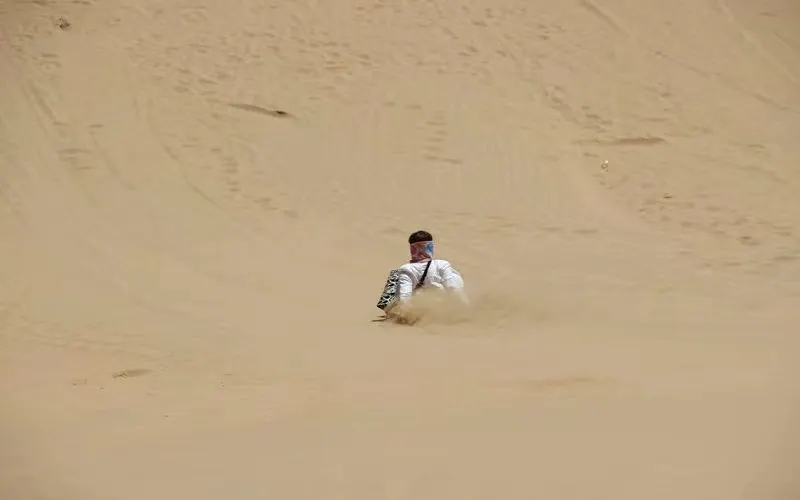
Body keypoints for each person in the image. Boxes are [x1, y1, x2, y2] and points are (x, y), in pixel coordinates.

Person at [385, 230, 468, 322]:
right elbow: (452, 287)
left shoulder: (406, 269)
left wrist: (404, 312)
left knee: (394, 277)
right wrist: (464, 308)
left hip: (419, 307)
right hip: (441, 306)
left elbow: (405, 296)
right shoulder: (442, 264)